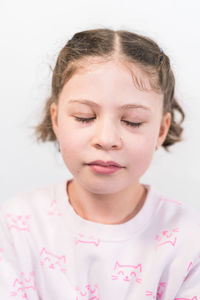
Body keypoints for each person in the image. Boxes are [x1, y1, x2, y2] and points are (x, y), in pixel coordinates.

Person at [0, 28, 200, 300]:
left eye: (132, 122)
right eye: (84, 117)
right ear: (57, 119)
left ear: (162, 130)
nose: (106, 139)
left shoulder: (190, 240)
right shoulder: (14, 226)